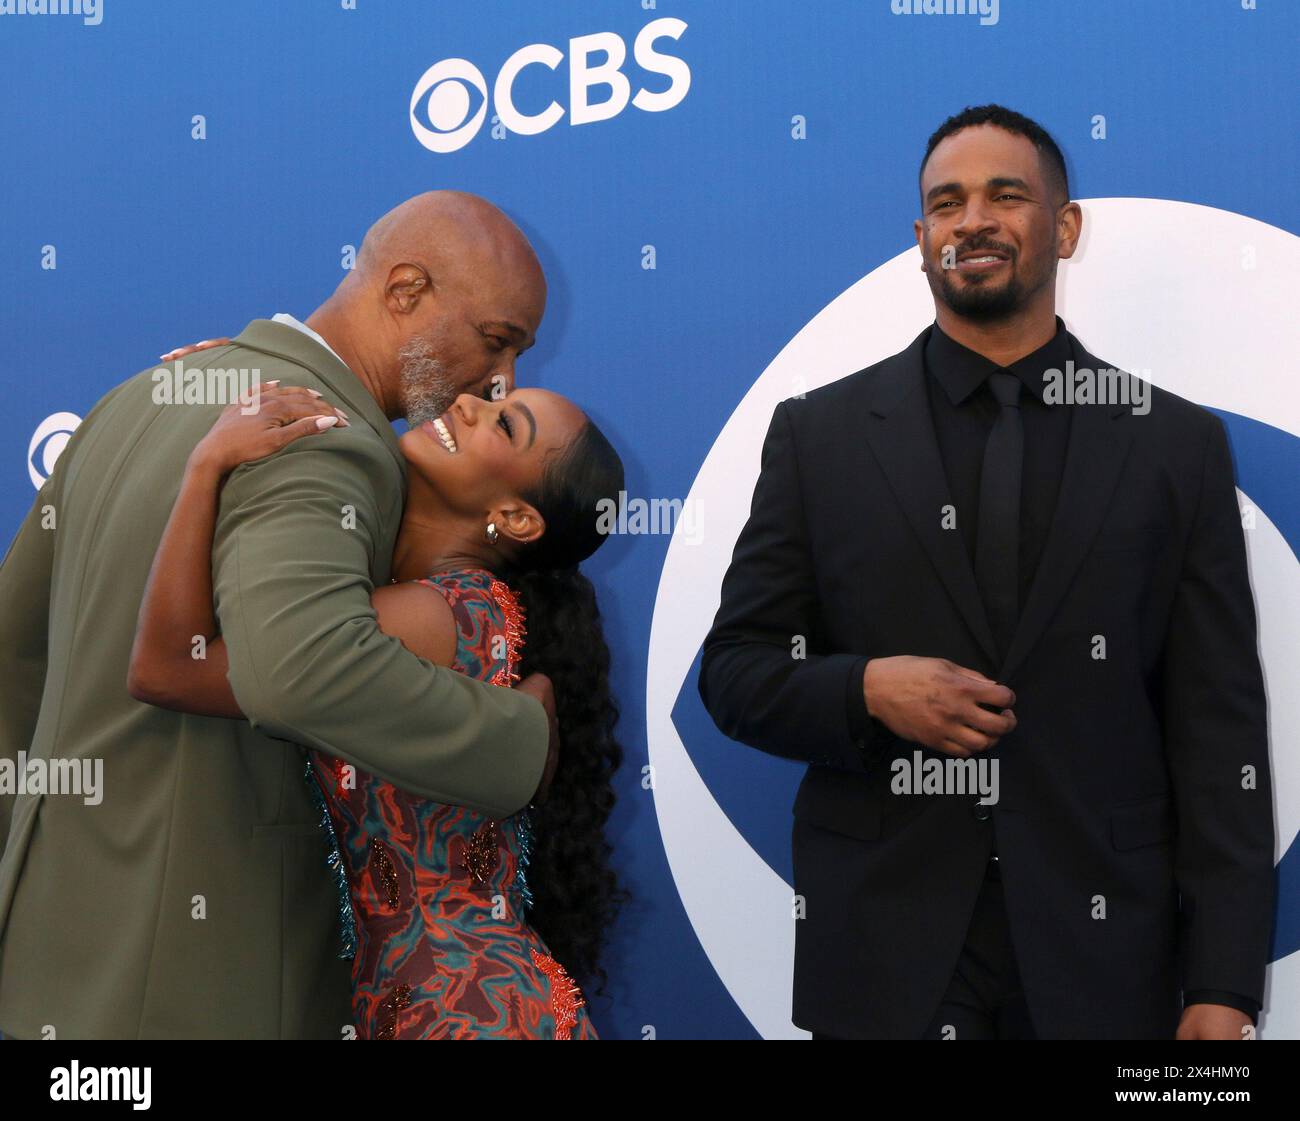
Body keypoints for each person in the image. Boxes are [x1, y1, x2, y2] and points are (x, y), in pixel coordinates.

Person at [698, 105, 1274, 1040]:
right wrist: (867, 690)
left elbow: (1218, 731)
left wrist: (1223, 982)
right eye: (945, 204)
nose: (972, 220)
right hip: (888, 960)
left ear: (1066, 226)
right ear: (920, 240)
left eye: (1006, 195)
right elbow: (733, 674)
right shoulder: (821, 436)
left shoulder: (1176, 445)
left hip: (1109, 958)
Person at [0, 191, 569, 1039]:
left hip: (52, 950)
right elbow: (297, 667)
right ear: (405, 290)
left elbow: (17, 658)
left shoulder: (137, 398)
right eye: (496, 342)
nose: (500, 380)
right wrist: (521, 740)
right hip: (203, 972)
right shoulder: (323, 431)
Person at [128, 379, 623, 1039]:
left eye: (505, 426)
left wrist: (206, 466)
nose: (467, 403)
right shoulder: (445, 607)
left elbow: (167, 669)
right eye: (490, 398)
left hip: (466, 1010)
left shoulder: (442, 615)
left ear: (516, 519)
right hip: (451, 997)